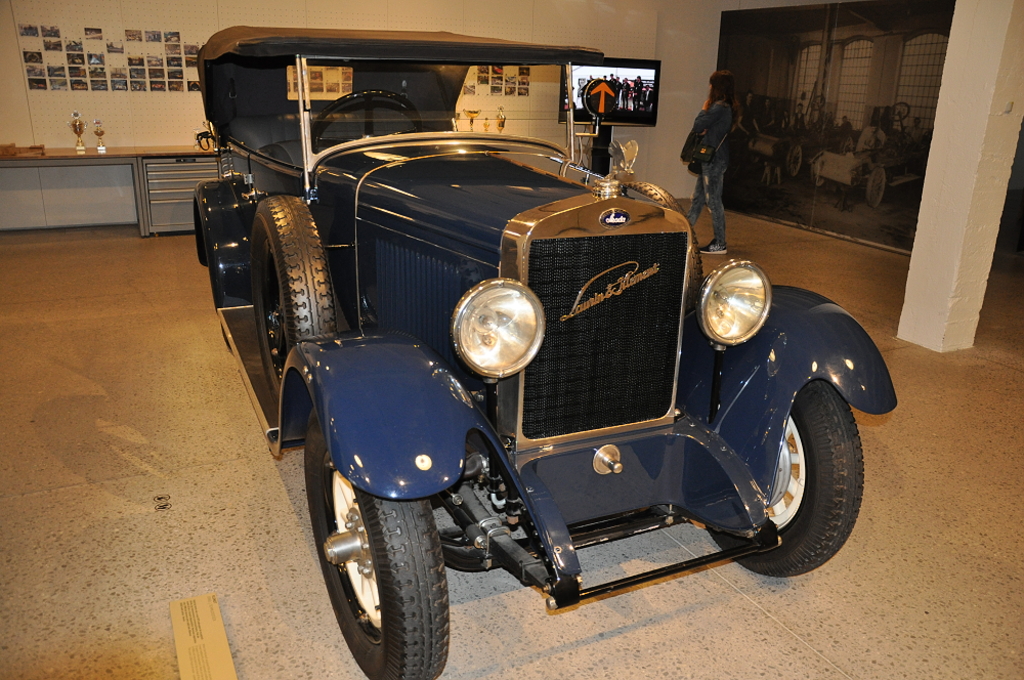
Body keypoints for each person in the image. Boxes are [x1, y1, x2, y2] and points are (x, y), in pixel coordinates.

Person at [686, 70, 737, 255]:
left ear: (717, 86)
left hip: (713, 160)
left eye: (711, 84)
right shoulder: (727, 106)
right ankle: (685, 233)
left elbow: (698, 126)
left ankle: (720, 243)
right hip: (712, 158)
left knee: (713, 201)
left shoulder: (718, 107)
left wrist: (704, 108)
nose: (709, 87)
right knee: (698, 199)